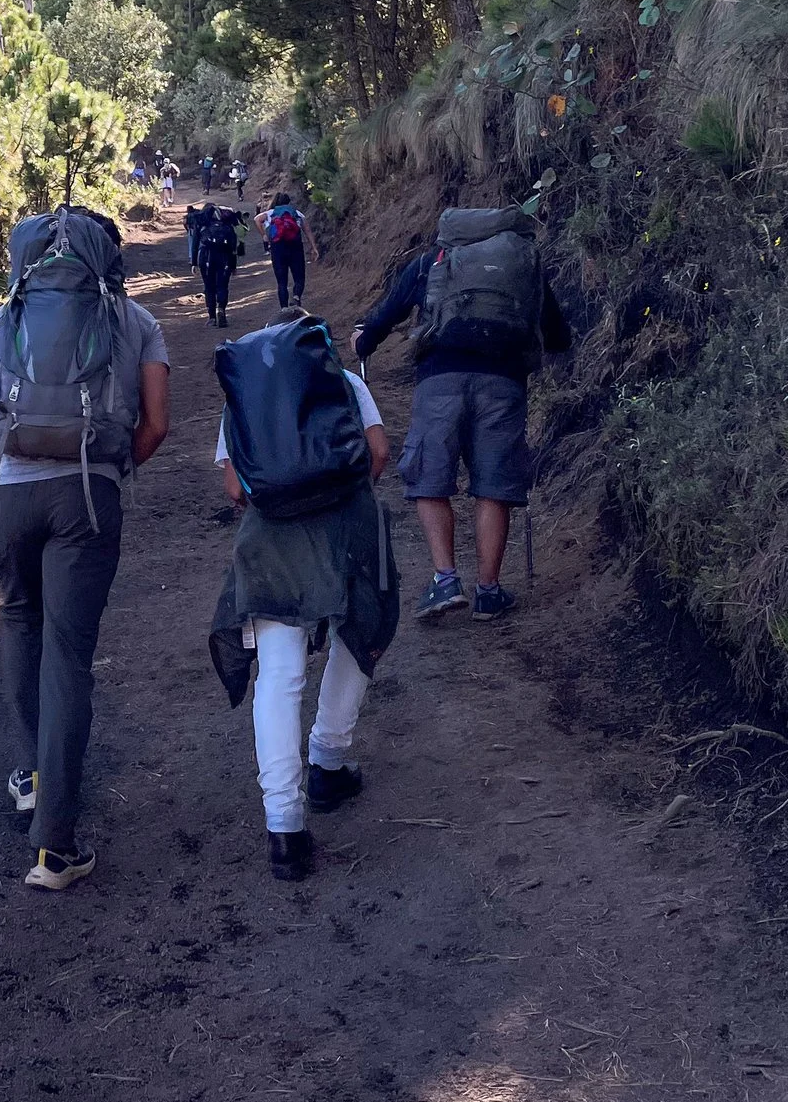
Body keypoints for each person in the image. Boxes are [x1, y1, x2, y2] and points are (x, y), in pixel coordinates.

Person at [0, 208, 170, 890]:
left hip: (8, 493)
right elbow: (157, 423)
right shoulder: (135, 321)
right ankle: (56, 846)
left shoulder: (4, 318)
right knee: (69, 655)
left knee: (20, 623)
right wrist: (106, 468)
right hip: (85, 495)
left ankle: (31, 776)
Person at [209, 312, 398, 879]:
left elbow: (234, 485)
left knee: (280, 675)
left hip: (272, 540)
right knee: (361, 630)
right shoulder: (345, 380)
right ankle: (328, 759)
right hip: (348, 526)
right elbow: (379, 451)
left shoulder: (245, 396)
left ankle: (284, 828)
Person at [352, 204, 573, 623]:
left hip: (440, 381)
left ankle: (445, 580)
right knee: (493, 483)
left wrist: (363, 339)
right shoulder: (522, 267)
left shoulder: (430, 264)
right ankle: (488, 592)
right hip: (503, 383)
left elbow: (383, 319)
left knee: (430, 476)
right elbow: (558, 335)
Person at [259, 192, 316, 309]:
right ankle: (296, 297)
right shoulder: (296, 213)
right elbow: (308, 230)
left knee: (281, 282)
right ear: (288, 202)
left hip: (278, 248)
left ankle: (284, 309)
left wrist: (264, 235)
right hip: (295, 247)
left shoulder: (271, 213)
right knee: (299, 277)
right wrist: (313, 247)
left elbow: (257, 219)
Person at [195, 202, 242, 327]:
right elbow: (233, 248)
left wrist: (194, 263)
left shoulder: (202, 224)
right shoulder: (228, 226)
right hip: (224, 257)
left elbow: (195, 243)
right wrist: (233, 266)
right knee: (223, 285)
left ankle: (211, 317)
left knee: (209, 287)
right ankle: (221, 309)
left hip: (206, 257)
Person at [183, 198, 206, 270]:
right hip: (199, 230)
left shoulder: (187, 215)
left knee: (191, 245)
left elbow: (184, 223)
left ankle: (191, 260)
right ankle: (200, 258)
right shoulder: (198, 213)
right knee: (199, 245)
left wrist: (187, 230)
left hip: (191, 230)